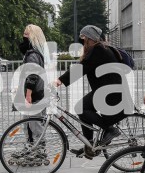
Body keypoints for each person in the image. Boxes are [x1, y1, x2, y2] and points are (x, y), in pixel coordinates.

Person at [54, 25, 126, 158]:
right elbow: (85, 66)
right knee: (83, 109)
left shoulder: (98, 50)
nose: (82, 40)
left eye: (83, 37)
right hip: (108, 91)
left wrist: (60, 80)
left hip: (110, 93)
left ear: (90, 38)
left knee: (81, 107)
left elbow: (82, 67)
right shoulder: (100, 49)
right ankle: (89, 144)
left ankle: (109, 129)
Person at [17, 24, 50, 155]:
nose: (23, 37)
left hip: (36, 94)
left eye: (26, 34)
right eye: (24, 33)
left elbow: (32, 75)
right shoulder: (34, 53)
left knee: (35, 124)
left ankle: (40, 150)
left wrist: (28, 94)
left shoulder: (33, 54)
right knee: (30, 123)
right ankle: (31, 146)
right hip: (36, 92)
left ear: (33, 37)